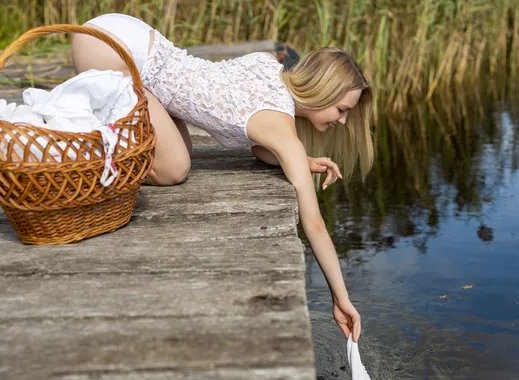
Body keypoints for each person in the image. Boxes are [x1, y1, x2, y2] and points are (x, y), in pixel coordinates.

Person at [71, 13, 373, 343]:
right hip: (110, 51)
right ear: (324, 91)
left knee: (179, 149)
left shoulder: (268, 66)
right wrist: (340, 298)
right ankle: (73, 152)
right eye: (342, 110)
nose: (343, 121)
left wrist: (301, 159)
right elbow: (314, 225)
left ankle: (121, 123)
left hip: (125, 33)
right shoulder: (283, 131)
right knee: (174, 169)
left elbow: (259, 147)